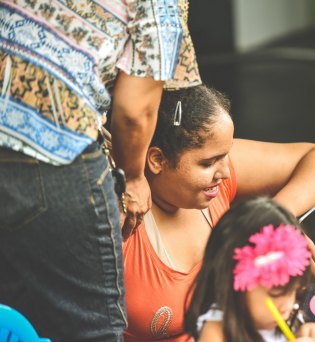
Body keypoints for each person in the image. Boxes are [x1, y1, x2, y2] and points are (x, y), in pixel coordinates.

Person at [0, 0, 200, 340]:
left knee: (15, 316)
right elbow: (134, 111)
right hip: (53, 146)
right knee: (91, 329)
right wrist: (133, 177)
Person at [122, 84, 315, 340]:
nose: (224, 172)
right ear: (157, 160)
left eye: (225, 157)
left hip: (262, 326)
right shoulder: (120, 221)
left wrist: (274, 223)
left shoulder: (216, 175)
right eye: (208, 163)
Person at [185, 197, 315, 342]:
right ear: (234, 283)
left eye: (294, 291)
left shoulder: (287, 319)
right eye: (275, 294)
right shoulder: (217, 332)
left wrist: (305, 333)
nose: (287, 306)